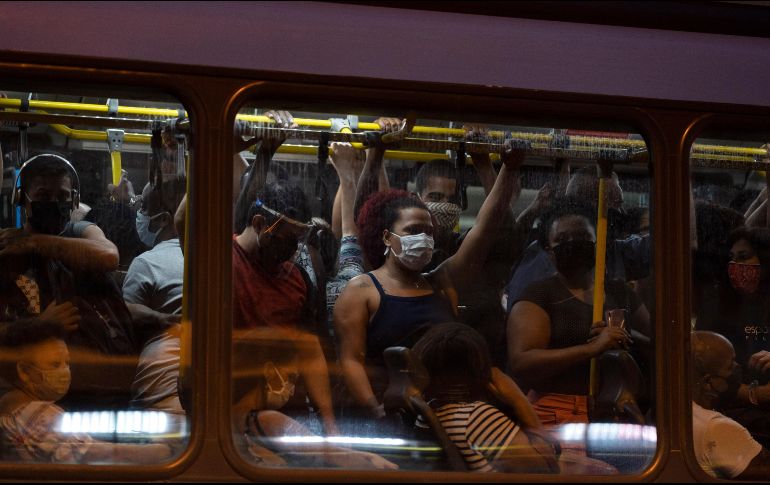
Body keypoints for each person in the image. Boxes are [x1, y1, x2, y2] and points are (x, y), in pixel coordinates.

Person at [334, 141, 523, 420]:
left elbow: (486, 228)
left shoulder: (441, 282)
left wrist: (509, 168)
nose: (422, 238)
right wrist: (374, 408)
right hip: (391, 412)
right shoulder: (362, 290)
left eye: (428, 232)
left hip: (445, 414)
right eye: (412, 231)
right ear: (386, 237)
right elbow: (351, 360)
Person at [0, 154, 140, 409]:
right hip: (49, 397)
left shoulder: (79, 235)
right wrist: (39, 326)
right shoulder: (9, 255)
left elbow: (108, 256)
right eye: (43, 195)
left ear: (74, 200)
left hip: (111, 393)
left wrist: (34, 242)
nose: (54, 203)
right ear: (22, 198)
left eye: (63, 196)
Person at [507, 201, 651, 427]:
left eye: (583, 236)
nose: (573, 243)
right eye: (562, 239)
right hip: (557, 410)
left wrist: (623, 336)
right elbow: (522, 360)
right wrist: (591, 349)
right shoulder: (540, 294)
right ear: (549, 251)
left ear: (598, 242)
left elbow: (658, 342)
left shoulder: (618, 292)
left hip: (616, 409)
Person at [232, 181, 337, 435]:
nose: (292, 249)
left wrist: (329, 425)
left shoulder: (296, 278)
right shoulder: (221, 262)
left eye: (298, 240)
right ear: (260, 224)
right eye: (288, 238)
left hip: (288, 409)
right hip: (232, 407)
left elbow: (310, 353)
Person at [0, 319, 172, 464]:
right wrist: (165, 450)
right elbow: (95, 454)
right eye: (55, 364)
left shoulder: (11, 407)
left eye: (67, 363)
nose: (65, 372)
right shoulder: (39, 415)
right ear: (24, 372)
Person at [231, 327, 396, 470]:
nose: (291, 389)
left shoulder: (231, 416)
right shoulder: (269, 421)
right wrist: (372, 459)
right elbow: (337, 456)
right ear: (270, 372)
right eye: (291, 377)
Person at [411, 322, 558, 473]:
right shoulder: (476, 417)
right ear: (482, 371)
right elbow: (547, 470)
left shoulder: (429, 411)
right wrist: (518, 400)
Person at [696, 226, 770, 440]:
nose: (735, 265)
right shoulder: (716, 306)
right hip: (735, 410)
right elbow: (702, 374)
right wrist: (755, 395)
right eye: (732, 258)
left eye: (744, 257)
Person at [122, 176, 187, 414]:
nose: (139, 214)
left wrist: (157, 318)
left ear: (164, 220)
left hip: (160, 388)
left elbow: (125, 318)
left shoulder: (147, 263)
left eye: (144, 208)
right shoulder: (216, 257)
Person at [691, 331, 770, 479]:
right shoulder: (717, 427)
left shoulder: (680, 411)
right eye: (730, 366)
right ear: (708, 382)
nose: (737, 367)